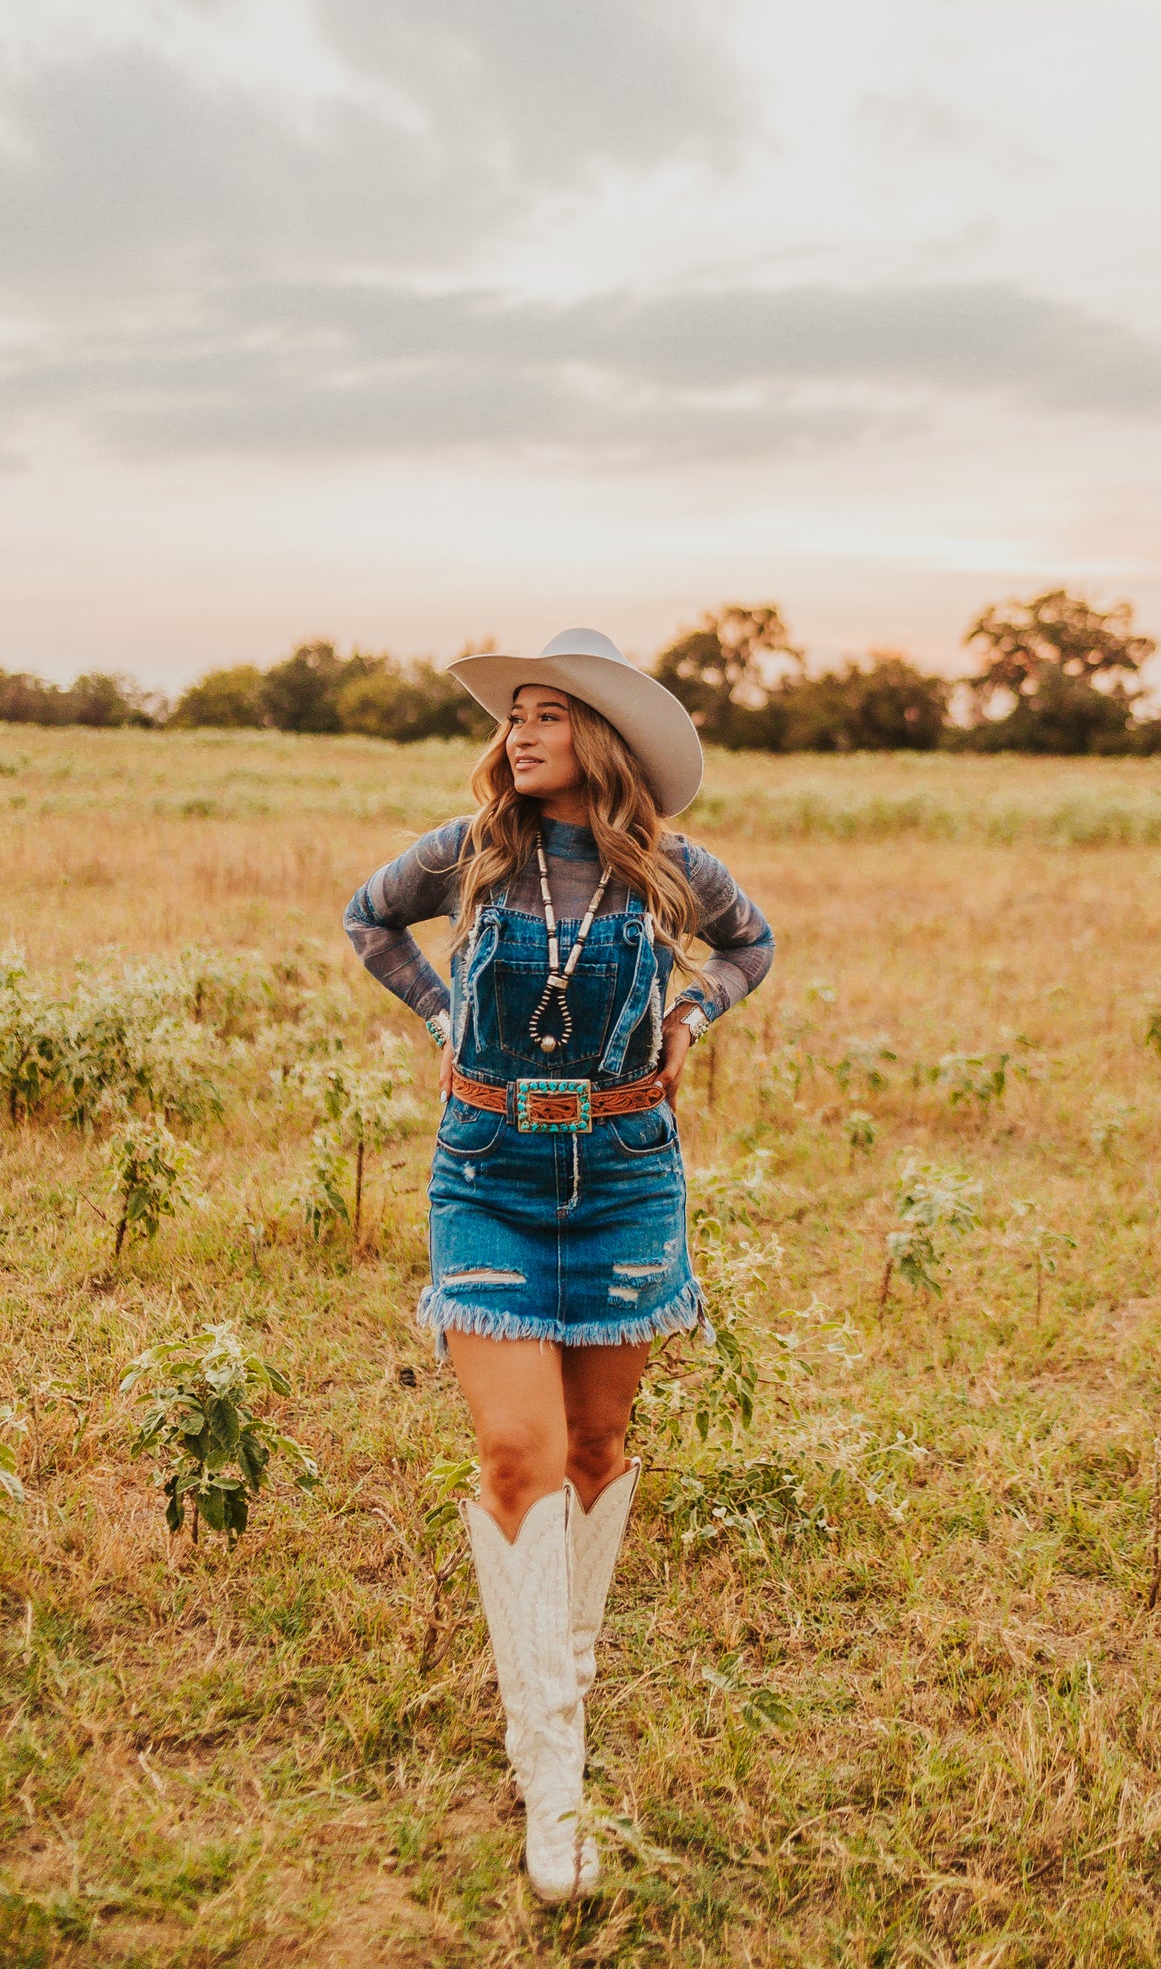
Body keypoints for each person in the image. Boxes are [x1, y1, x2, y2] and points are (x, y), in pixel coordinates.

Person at [343, 628, 774, 1901]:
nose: (520, 732)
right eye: (515, 714)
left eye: (548, 714)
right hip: (486, 1173)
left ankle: (560, 1657)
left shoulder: (670, 869)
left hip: (630, 1172)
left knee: (596, 1448)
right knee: (518, 1458)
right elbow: (368, 917)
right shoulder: (471, 853)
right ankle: (555, 1774)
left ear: (605, 739)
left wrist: (694, 1009)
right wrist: (438, 1011)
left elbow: (752, 944)